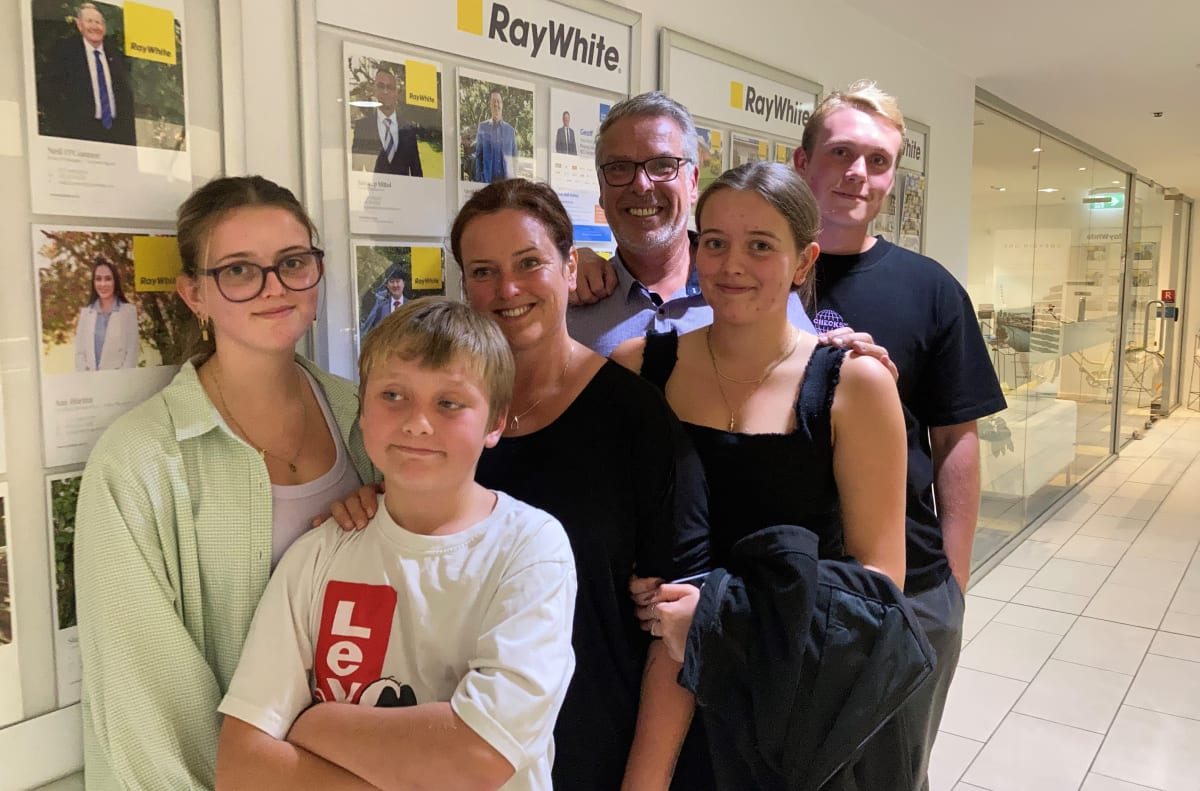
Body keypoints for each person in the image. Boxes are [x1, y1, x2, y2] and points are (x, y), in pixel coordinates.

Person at [335, 179, 711, 790]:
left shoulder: (635, 419)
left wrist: (642, 785)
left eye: (529, 263)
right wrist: (366, 507)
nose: (506, 290)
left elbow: (675, 631)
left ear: (571, 268)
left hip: (590, 752)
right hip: (441, 750)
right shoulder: (433, 423)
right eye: (484, 271)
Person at [73, 175, 378, 790]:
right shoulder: (139, 462)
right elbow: (148, 715)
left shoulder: (367, 417)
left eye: (293, 262)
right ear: (194, 294)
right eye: (239, 270)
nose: (274, 287)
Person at [615, 161, 913, 788]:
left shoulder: (853, 385)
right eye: (715, 242)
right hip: (656, 695)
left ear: (804, 262)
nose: (732, 265)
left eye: (760, 246)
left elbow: (879, 583)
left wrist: (719, 617)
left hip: (786, 696)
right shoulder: (640, 367)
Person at [216, 298, 577, 790]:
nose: (417, 423)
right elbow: (243, 767)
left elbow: (478, 755)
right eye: (393, 395)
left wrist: (314, 724)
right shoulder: (319, 554)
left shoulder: (531, 549)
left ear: (495, 422)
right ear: (361, 411)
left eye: (449, 403)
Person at [792, 81, 1006, 788]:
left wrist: (953, 587)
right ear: (803, 161)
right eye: (842, 152)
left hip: (907, 589)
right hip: (782, 583)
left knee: (889, 773)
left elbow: (956, 440)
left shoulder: (930, 289)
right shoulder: (750, 272)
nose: (858, 173)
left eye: (878, 161)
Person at [566, 92, 816, 358]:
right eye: (619, 167)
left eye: (662, 165)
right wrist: (566, 266)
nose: (641, 184)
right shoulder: (571, 304)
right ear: (601, 187)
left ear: (693, 181)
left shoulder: (759, 291)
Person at [37, 2, 137, 146]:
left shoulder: (117, 56)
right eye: (89, 21)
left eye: (98, 22)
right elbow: (48, 90)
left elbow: (126, 96)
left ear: (104, 27)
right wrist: (61, 125)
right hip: (78, 134)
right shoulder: (66, 53)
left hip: (116, 136)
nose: (95, 26)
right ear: (79, 25)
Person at [350, 66, 423, 177]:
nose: (385, 91)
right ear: (374, 90)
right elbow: (356, 170)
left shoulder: (408, 130)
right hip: (374, 192)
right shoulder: (362, 127)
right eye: (380, 86)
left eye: (390, 87)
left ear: (396, 93)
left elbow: (417, 173)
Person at [74, 256, 139, 371]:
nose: (103, 284)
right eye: (98, 279)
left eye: (108, 279)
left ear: (115, 282)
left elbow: (131, 353)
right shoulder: (86, 314)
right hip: (90, 383)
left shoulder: (128, 312)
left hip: (118, 383)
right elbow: (80, 353)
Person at [474, 91, 518, 183]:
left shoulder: (510, 130)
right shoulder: (483, 127)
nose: (496, 104)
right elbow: (478, 156)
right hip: (488, 182)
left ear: (502, 104)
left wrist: (514, 180)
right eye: (493, 101)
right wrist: (479, 178)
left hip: (506, 183)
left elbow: (514, 157)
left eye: (498, 101)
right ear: (490, 105)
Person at [358, 263, 407, 337]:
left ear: (404, 283)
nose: (395, 285)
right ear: (387, 284)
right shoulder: (381, 308)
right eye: (391, 281)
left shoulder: (411, 306)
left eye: (397, 281)